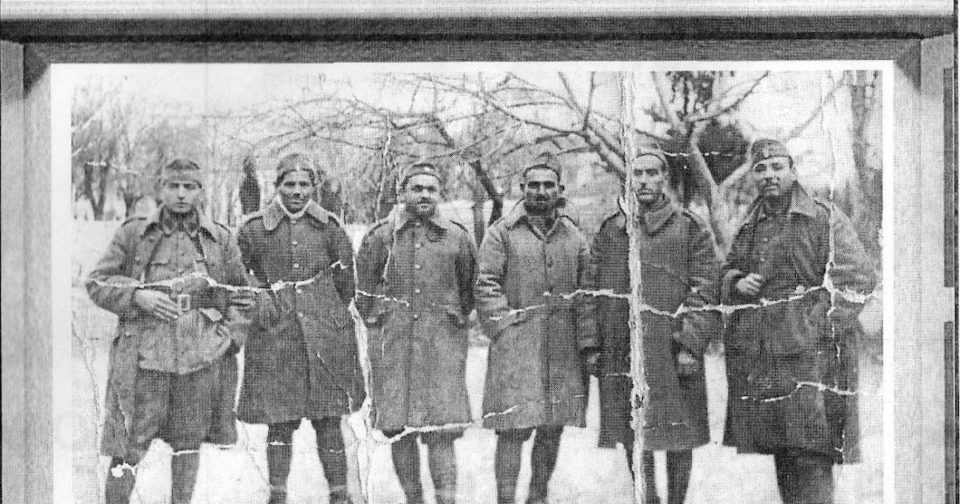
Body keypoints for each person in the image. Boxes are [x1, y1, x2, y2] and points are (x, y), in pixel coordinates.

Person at [86, 159, 252, 504]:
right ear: (160, 188)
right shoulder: (134, 233)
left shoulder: (219, 238)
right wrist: (137, 295)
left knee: (188, 445)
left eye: (189, 187)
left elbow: (243, 296)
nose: (180, 194)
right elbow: (97, 282)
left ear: (200, 190)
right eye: (173, 186)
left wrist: (227, 339)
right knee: (128, 445)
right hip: (145, 361)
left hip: (198, 361)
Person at [721, 139, 877, 504]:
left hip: (816, 359)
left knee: (813, 452)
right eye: (760, 169)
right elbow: (727, 269)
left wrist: (819, 324)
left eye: (777, 167)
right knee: (784, 451)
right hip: (769, 357)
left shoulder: (823, 217)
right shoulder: (751, 223)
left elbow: (860, 278)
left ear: (793, 171)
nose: (769, 175)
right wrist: (737, 282)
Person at [236, 153, 366, 504]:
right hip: (276, 338)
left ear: (313, 187)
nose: (297, 192)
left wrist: (322, 310)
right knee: (279, 422)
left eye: (304, 184)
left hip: (325, 339)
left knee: (329, 420)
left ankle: (339, 495)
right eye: (289, 184)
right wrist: (260, 296)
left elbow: (346, 283)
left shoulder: (330, 227)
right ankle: (277, 495)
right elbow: (236, 274)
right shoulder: (253, 229)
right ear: (277, 186)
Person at [591, 151, 719, 504]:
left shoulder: (689, 227)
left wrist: (690, 344)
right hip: (624, 352)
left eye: (652, 173)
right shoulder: (611, 230)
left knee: (680, 435)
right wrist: (593, 346)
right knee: (634, 435)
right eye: (638, 174)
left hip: (674, 352)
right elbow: (591, 289)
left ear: (665, 178)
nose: (644, 180)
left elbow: (706, 287)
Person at [476, 160, 596, 504]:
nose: (541, 192)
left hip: (562, 349)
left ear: (560, 190)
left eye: (548, 185)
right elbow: (485, 284)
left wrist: (587, 343)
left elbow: (586, 292)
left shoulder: (574, 236)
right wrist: (505, 329)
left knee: (552, 426)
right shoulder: (501, 232)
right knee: (512, 429)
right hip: (517, 348)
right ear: (522, 189)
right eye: (534, 185)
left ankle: (538, 495)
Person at [356, 163, 477, 504]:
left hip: (441, 348)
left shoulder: (457, 237)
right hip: (394, 348)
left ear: (440, 194)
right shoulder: (381, 236)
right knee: (399, 430)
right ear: (402, 193)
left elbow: (469, 290)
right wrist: (384, 322)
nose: (424, 194)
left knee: (441, 432)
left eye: (431, 189)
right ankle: (414, 499)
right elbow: (363, 292)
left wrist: (449, 322)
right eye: (416, 188)